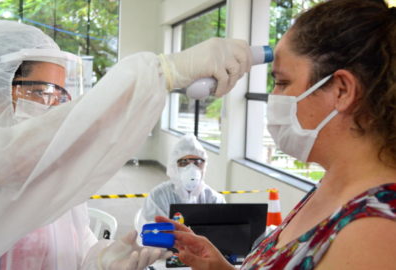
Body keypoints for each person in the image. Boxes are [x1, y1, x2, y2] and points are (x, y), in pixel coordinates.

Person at [0, 20, 253, 270]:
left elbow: (77, 247)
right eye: (42, 92)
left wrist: (102, 260)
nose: (53, 110)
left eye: (60, 98)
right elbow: (12, 156)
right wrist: (162, 73)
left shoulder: (54, 176)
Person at [156, 0, 396, 269]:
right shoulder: (333, 185)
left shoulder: (374, 233)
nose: (273, 97)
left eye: (282, 82)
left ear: (341, 90)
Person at [142, 134, 225, 222]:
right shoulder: (158, 197)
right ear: (173, 167)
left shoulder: (214, 200)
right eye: (184, 162)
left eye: (198, 162)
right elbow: (153, 232)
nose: (192, 169)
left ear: (204, 167)